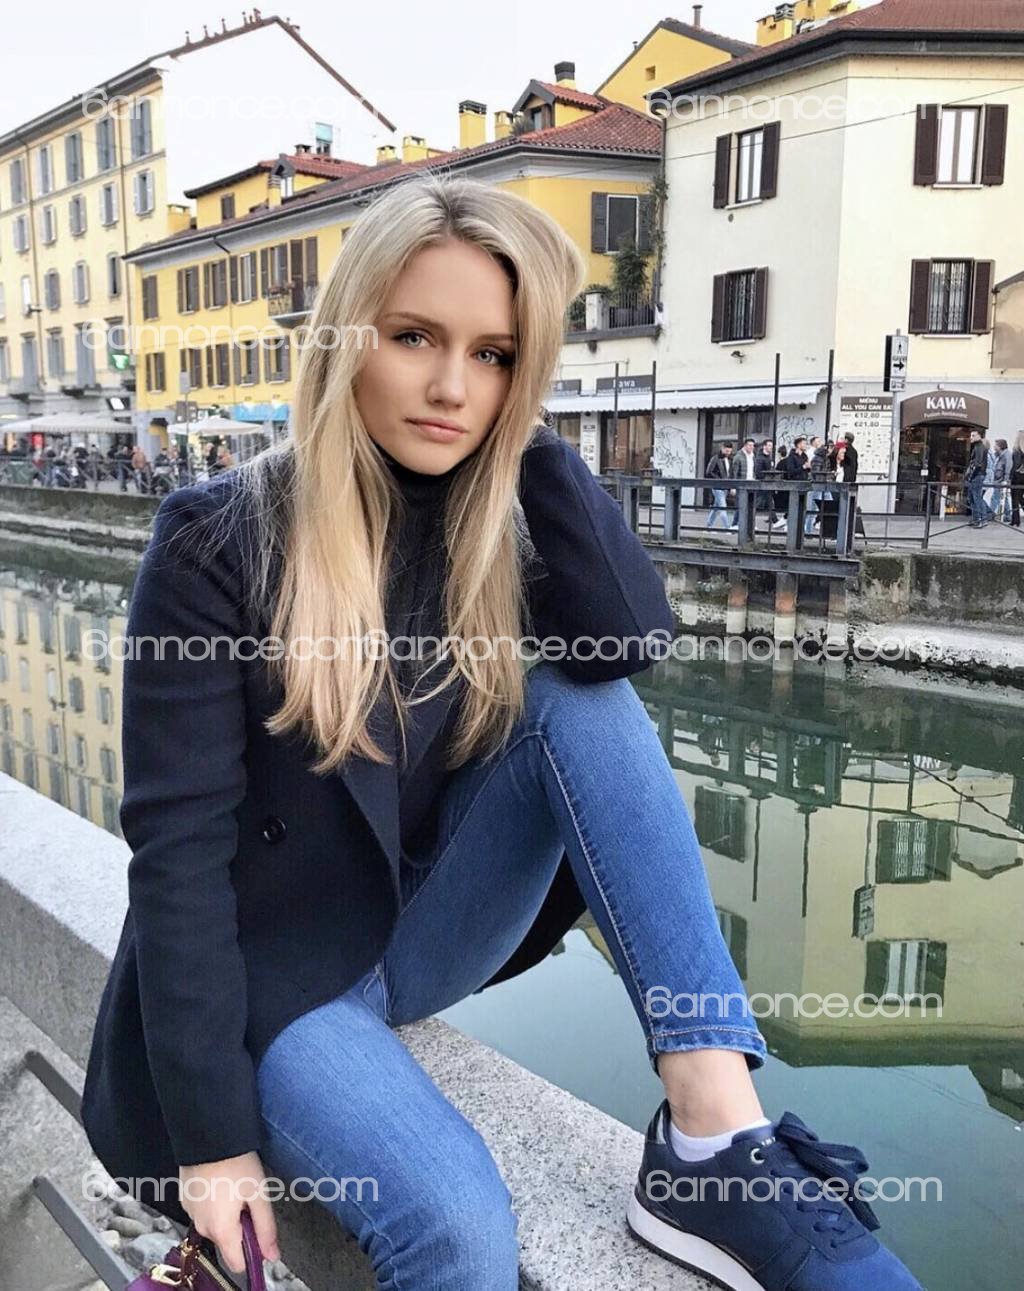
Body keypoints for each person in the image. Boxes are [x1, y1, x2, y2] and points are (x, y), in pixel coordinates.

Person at [80, 176, 922, 1291]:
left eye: (493, 355)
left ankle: (715, 1134)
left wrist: (524, 436)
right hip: (271, 975)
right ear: (345, 339)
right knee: (460, 1229)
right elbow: (175, 856)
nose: (450, 386)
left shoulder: (490, 520)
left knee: (574, 696)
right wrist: (212, 1143)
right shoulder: (217, 539)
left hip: (413, 934)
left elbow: (623, 643)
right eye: (413, 337)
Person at [729, 435, 758, 532]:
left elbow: (753, 470)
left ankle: (750, 524)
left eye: (753, 445)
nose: (751, 447)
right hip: (741, 484)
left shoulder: (753, 456)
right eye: (749, 445)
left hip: (751, 483)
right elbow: (734, 472)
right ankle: (735, 524)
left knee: (750, 505)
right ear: (745, 446)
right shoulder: (738, 456)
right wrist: (733, 487)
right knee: (740, 505)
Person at [755, 438, 786, 531]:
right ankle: (749, 521)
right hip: (763, 484)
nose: (770, 448)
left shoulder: (769, 457)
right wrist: (765, 478)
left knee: (770, 503)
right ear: (764, 446)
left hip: (768, 484)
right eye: (769, 446)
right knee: (757, 503)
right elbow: (758, 472)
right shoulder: (760, 458)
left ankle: (775, 520)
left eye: (771, 446)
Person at [704, 442, 734, 529]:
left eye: (729, 451)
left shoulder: (729, 460)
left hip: (725, 487)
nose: (728, 453)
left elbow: (730, 474)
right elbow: (709, 472)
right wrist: (720, 480)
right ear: (722, 448)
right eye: (727, 451)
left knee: (716, 507)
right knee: (723, 507)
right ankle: (727, 527)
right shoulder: (716, 458)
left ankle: (709, 525)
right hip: (718, 486)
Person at [964, 428, 989, 528]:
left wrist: (971, 476)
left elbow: (978, 464)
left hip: (977, 475)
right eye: (971, 435)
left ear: (979, 436)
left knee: (976, 498)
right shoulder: (979, 446)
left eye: (973, 435)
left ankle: (979, 519)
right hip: (978, 474)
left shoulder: (979, 447)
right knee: (973, 498)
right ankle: (977, 519)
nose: (971, 437)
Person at [992, 438, 1012, 523]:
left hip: (1001, 480)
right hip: (998, 480)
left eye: (995, 445)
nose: (994, 446)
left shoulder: (1007, 455)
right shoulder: (998, 455)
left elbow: (1008, 467)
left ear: (1000, 446)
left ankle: (990, 514)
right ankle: (1008, 515)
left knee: (995, 497)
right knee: (1003, 498)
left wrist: (1006, 480)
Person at [1010, 431, 1024, 528]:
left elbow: (1015, 465)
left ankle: (1015, 520)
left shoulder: (1017, 451)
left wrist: (1011, 476)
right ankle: (1015, 520)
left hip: (1017, 477)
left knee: (1015, 499)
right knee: (1020, 498)